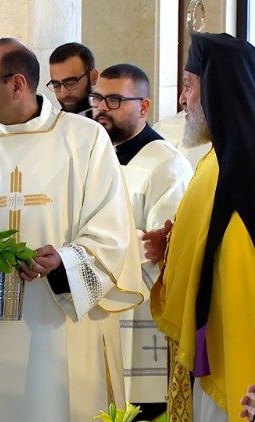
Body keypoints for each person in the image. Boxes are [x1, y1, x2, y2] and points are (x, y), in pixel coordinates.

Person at [0, 37, 144, 422]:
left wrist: (64, 261)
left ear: (17, 84)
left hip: (60, 328)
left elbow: (113, 234)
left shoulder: (84, 139)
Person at [145, 32, 255, 421]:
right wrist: (171, 248)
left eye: (189, 86)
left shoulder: (244, 165)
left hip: (242, 363)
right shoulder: (212, 160)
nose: (182, 99)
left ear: (218, 91)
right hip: (211, 350)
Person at [90, 63, 193, 411]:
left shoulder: (166, 164)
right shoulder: (93, 157)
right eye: (98, 98)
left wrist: (91, 245)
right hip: (94, 306)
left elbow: (163, 247)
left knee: (137, 407)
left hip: (140, 312)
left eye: (115, 99)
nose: (102, 108)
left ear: (144, 107)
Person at [48, 42, 99, 116]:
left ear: (93, 77)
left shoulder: (110, 124)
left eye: (70, 83)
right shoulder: (52, 123)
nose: (63, 94)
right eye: (56, 85)